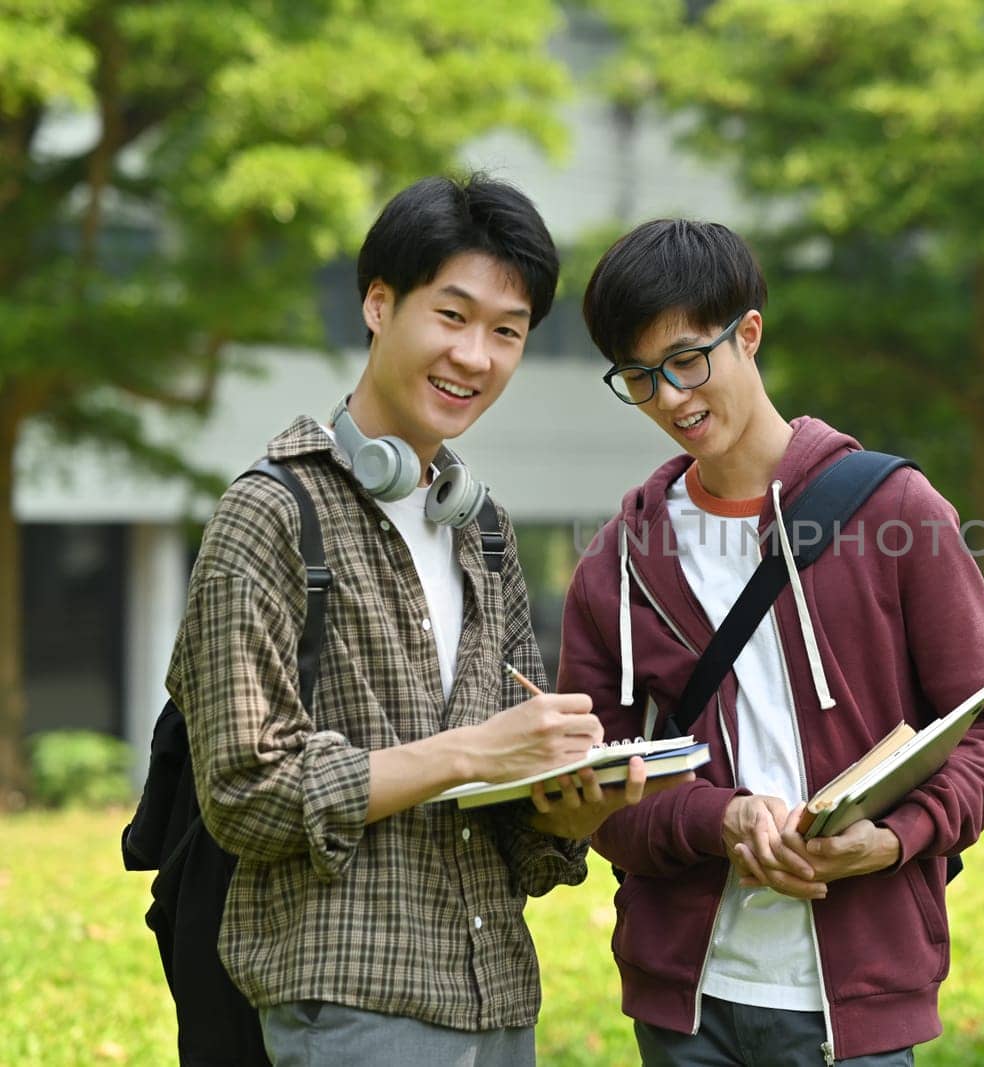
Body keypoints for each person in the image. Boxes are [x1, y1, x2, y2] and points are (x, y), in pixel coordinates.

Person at [170, 174, 679, 1066]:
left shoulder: (482, 531)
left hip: (497, 1001)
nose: (476, 356)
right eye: (452, 315)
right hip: (347, 1004)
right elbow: (244, 795)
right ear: (377, 304)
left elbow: (511, 826)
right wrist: (475, 752)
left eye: (507, 332)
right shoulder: (271, 514)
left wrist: (566, 806)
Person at [558, 219, 984, 1065]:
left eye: (686, 360)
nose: (670, 397)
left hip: (856, 1001)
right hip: (683, 1006)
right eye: (639, 377)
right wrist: (721, 818)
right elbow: (597, 788)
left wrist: (894, 838)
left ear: (748, 332)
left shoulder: (897, 514)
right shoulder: (619, 559)